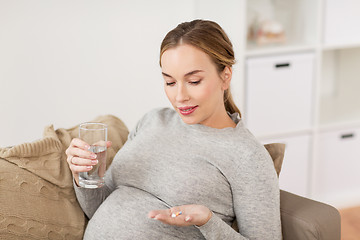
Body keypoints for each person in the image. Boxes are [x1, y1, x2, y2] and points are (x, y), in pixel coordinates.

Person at [65, 19, 282, 239]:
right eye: (170, 82)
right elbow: (97, 208)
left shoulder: (247, 156)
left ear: (225, 76)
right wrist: (86, 174)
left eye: (194, 81)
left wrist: (207, 221)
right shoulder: (152, 121)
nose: (180, 97)